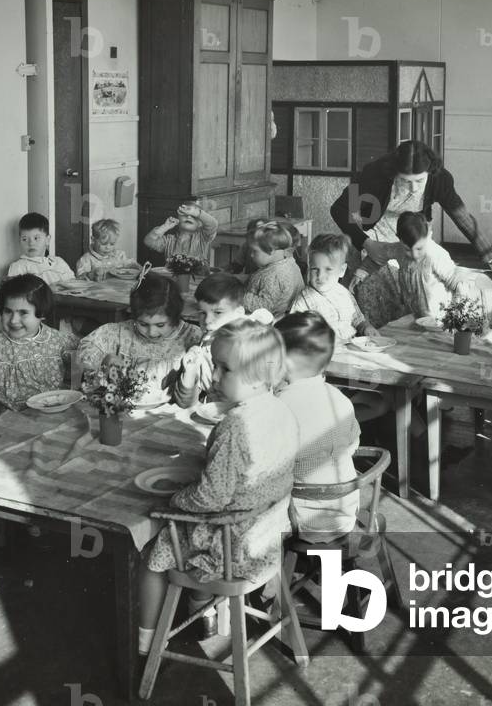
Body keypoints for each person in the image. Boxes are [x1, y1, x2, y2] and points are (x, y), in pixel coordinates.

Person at [137, 319, 298, 653]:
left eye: (225, 369)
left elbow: (211, 496)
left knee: (150, 550)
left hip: (232, 547)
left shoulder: (236, 426)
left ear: (257, 375)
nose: (215, 376)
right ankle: (203, 611)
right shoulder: (281, 410)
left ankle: (145, 642)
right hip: (269, 534)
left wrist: (176, 499)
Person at [329, 141, 492, 324]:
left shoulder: (439, 179)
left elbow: (462, 217)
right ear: (394, 173)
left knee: (415, 294)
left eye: (419, 180)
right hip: (374, 235)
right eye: (405, 181)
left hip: (415, 233)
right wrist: (366, 243)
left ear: (430, 172)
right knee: (376, 299)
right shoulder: (374, 174)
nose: (413, 188)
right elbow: (340, 209)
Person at [275, 312, 361, 540]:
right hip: (345, 511)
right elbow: (353, 445)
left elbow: (267, 468)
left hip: (302, 518)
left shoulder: (280, 408)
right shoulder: (339, 398)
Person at [0, 275, 78, 417]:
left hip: (53, 415)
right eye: (8, 311)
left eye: (23, 313)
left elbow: (82, 359)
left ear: (42, 314)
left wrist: (77, 387)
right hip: (4, 421)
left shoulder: (58, 341)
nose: (14, 320)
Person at [77, 272, 201, 398]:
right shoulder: (122, 332)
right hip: (124, 408)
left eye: (160, 325)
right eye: (143, 324)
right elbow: (87, 347)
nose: (151, 333)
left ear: (174, 318)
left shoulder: (191, 336)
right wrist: (104, 362)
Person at [172, 273, 274, 409]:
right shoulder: (202, 346)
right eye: (202, 313)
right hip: (213, 413)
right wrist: (189, 375)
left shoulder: (251, 344)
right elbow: (187, 403)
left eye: (218, 312)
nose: (207, 320)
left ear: (238, 313)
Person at [290, 233, 380, 341]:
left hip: (351, 349)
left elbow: (357, 319)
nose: (320, 275)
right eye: (314, 269)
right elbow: (294, 333)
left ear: (342, 270)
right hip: (323, 354)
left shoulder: (344, 294)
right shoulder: (303, 301)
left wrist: (366, 327)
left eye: (328, 269)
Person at [395, 212, 480, 322]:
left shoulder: (435, 254)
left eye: (419, 248)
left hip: (441, 321)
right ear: (399, 239)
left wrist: (457, 316)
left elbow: (458, 283)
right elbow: (380, 251)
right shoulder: (399, 252)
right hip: (415, 319)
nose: (414, 255)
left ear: (428, 235)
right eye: (407, 249)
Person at [242, 221, 305, 315]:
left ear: (271, 251)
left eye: (255, 251)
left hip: (271, 321)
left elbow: (264, 307)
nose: (251, 255)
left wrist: (239, 296)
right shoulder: (288, 262)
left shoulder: (274, 276)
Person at [6, 212, 76, 286]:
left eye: (36, 238)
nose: (31, 243)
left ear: (47, 240)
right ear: (19, 241)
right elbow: (14, 294)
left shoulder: (59, 262)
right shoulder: (18, 267)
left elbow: (73, 285)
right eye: (25, 239)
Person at [143, 200, 219, 262]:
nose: (189, 216)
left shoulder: (202, 237)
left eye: (193, 216)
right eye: (184, 214)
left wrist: (196, 212)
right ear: (178, 219)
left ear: (199, 224)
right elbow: (148, 241)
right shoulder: (169, 241)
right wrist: (164, 227)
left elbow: (213, 225)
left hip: (197, 279)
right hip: (173, 279)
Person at [75, 218, 141, 280]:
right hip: (98, 290)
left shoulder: (119, 255)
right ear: (93, 240)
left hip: (119, 288)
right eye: (104, 244)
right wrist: (91, 274)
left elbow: (130, 263)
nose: (108, 247)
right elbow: (80, 277)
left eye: (112, 244)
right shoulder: (86, 259)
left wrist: (135, 266)